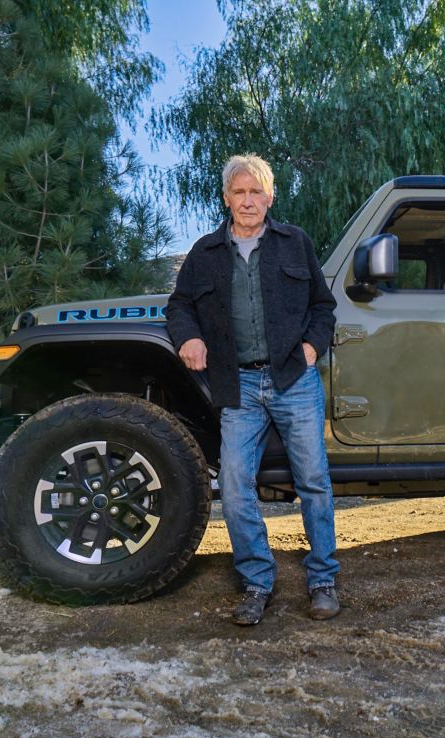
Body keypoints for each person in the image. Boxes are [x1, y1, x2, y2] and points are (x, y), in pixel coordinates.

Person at [166, 154, 340, 626]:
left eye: (255, 192)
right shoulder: (204, 254)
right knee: (237, 486)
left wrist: (310, 348)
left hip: (293, 380)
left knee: (313, 482)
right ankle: (256, 583)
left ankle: (323, 580)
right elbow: (179, 306)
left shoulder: (294, 243)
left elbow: (324, 307)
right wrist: (190, 336)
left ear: (270, 196)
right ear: (227, 198)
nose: (247, 201)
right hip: (237, 385)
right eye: (238, 193)